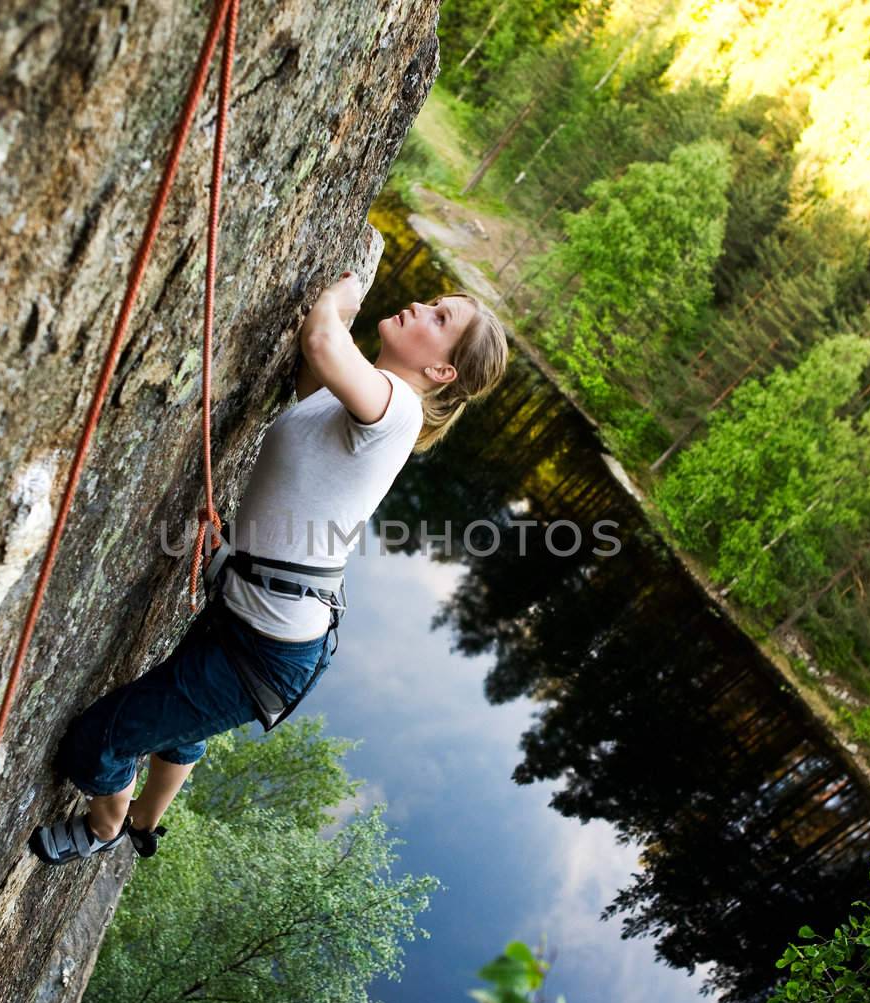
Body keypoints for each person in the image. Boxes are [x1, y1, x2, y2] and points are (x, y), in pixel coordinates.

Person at [30, 270, 510, 866]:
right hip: (255, 618)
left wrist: (345, 291)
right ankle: (146, 824)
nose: (420, 306)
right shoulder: (360, 393)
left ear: (442, 372)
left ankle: (105, 830)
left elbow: (321, 342)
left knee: (98, 740)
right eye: (435, 303)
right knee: (182, 724)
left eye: (441, 319)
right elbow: (317, 372)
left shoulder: (399, 411)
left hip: (265, 648)